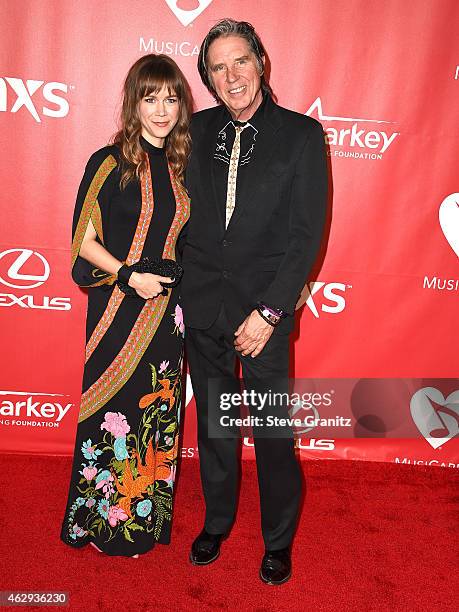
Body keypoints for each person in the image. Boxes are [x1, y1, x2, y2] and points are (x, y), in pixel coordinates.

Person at [180, 20, 328, 584]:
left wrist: (270, 312)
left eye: (239, 61)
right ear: (208, 79)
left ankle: (278, 538)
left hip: (263, 312)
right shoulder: (193, 132)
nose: (230, 75)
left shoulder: (300, 136)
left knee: (271, 433)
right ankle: (217, 521)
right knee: (216, 428)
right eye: (217, 67)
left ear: (261, 61)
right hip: (203, 306)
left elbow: (305, 237)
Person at [60, 54, 192, 557]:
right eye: (151, 97)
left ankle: (136, 525)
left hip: (167, 317)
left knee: (155, 415)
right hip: (118, 307)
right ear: (134, 103)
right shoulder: (109, 161)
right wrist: (127, 274)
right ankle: (95, 519)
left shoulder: (183, 167)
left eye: (171, 98)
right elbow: (83, 239)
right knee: (109, 412)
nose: (162, 110)